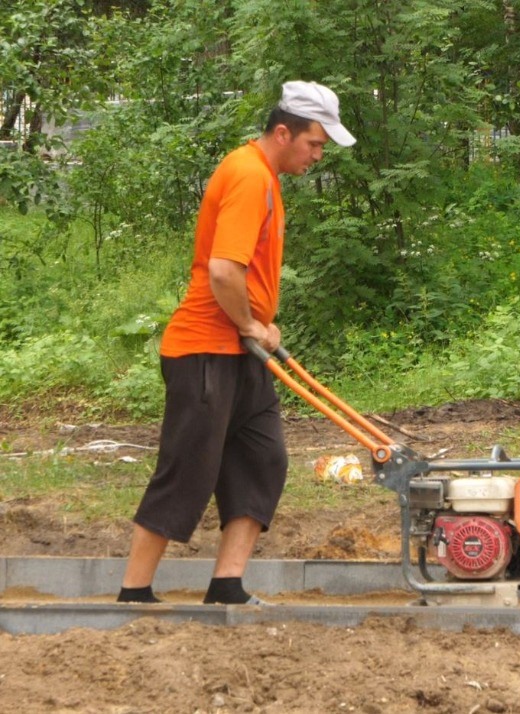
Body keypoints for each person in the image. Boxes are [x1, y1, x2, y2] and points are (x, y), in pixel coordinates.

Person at [117, 81, 356, 605]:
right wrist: (252, 324)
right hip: (207, 349)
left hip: (242, 355)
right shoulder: (249, 176)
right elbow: (225, 270)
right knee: (187, 473)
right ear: (282, 131)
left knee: (262, 460)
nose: (319, 155)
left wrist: (256, 329)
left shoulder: (264, 175)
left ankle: (227, 586)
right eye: (315, 144)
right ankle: (133, 593)